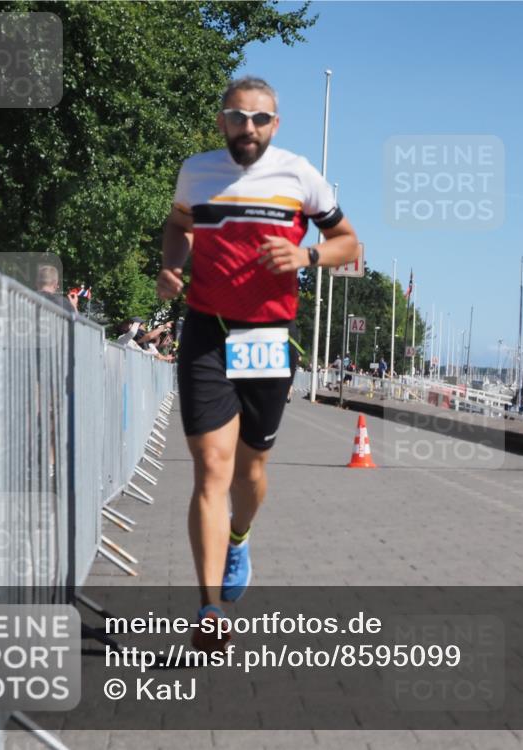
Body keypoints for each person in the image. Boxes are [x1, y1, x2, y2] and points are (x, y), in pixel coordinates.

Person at [156, 76, 359, 651]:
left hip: (267, 337)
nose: (249, 128)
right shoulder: (196, 172)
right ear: (221, 120)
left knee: (249, 472)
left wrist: (307, 253)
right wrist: (172, 266)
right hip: (207, 331)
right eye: (238, 117)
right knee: (210, 470)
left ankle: (239, 538)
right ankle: (209, 607)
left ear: (276, 123)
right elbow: (178, 226)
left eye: (260, 119)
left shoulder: (299, 175)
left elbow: (350, 243)